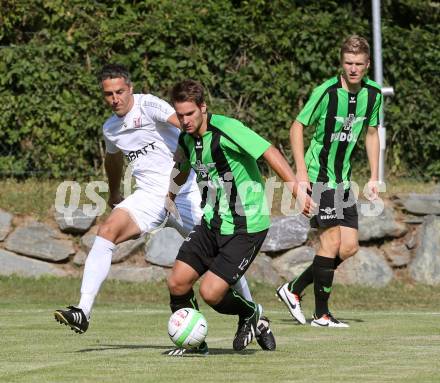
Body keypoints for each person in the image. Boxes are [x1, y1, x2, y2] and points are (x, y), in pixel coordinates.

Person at [53, 64, 258, 339]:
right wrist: (114, 194)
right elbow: (112, 160)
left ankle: (255, 312)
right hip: (149, 197)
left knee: (220, 255)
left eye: (120, 92)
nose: (115, 99)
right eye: (109, 94)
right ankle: (83, 311)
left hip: (187, 192)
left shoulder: (148, 105)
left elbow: (186, 124)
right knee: (107, 232)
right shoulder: (110, 129)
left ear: (131, 89)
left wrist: (207, 162)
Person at [166, 79, 314, 355]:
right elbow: (181, 165)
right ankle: (194, 344)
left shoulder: (227, 129)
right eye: (180, 114)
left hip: (246, 225)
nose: (184, 120)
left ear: (203, 107)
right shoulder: (186, 138)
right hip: (213, 222)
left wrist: (295, 189)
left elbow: (269, 151)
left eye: (190, 114)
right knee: (177, 282)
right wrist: (170, 196)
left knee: (211, 293)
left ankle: (249, 314)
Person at [277, 35, 382, 327]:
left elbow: (371, 133)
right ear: (341, 63)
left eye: (359, 64)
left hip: (343, 181)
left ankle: (293, 289)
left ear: (367, 65)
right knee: (331, 241)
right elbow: (297, 126)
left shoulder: (373, 95)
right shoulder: (326, 92)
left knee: (348, 247)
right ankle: (321, 314)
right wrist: (300, 172)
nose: (353, 69)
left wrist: (374, 176)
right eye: (348, 63)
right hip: (318, 177)